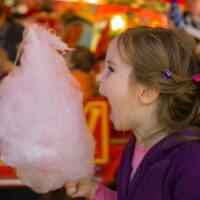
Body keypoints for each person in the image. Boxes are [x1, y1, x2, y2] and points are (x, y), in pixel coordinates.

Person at [65, 26, 200, 199]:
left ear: (147, 92)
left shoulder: (191, 162)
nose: (99, 77)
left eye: (111, 69)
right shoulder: (136, 145)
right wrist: (94, 191)